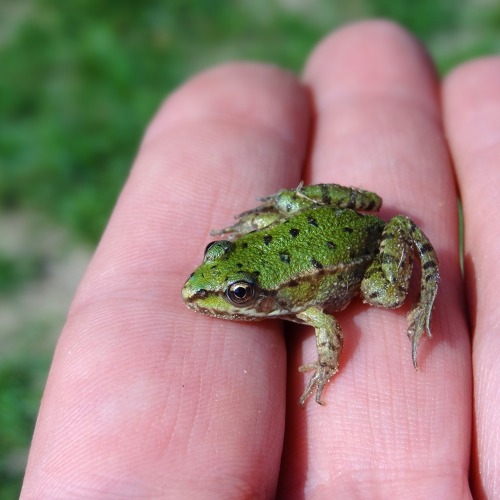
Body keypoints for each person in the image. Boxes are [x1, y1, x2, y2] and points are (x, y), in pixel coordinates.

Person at [21, 20, 498, 498]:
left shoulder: (305, 306)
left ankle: (427, 290)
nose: (204, 291)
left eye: (239, 295)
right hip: (322, 229)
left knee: (386, 295)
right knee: (290, 207)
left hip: (360, 250)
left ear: (260, 297)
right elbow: (250, 239)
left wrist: (326, 368)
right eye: (219, 260)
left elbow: (328, 327)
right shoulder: (246, 241)